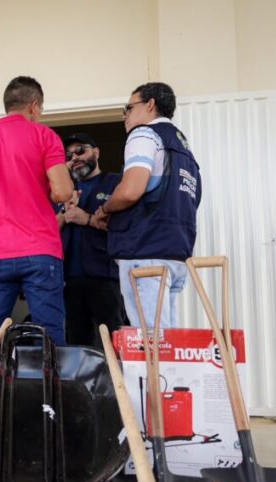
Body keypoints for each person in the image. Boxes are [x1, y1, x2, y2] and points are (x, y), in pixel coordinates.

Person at [0, 76, 74, 345]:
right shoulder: (44, 136)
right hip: (40, 251)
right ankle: (48, 388)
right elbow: (62, 192)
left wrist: (4, 197)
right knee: (48, 332)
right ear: (34, 106)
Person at [91, 82, 202, 329]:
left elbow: (131, 191)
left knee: (151, 342)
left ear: (150, 104)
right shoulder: (183, 149)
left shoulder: (143, 135)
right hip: (176, 252)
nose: (125, 116)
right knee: (168, 343)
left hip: (146, 251)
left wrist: (106, 209)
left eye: (129, 107)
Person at [56, 133, 126, 346]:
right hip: (68, 280)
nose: (74, 158)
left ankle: (118, 380)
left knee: (113, 338)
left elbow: (125, 226)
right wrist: (64, 216)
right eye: (68, 155)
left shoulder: (116, 183)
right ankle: (81, 381)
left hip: (105, 276)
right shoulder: (61, 192)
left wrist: (86, 219)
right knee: (77, 342)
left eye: (80, 151)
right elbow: (44, 231)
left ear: (96, 152)